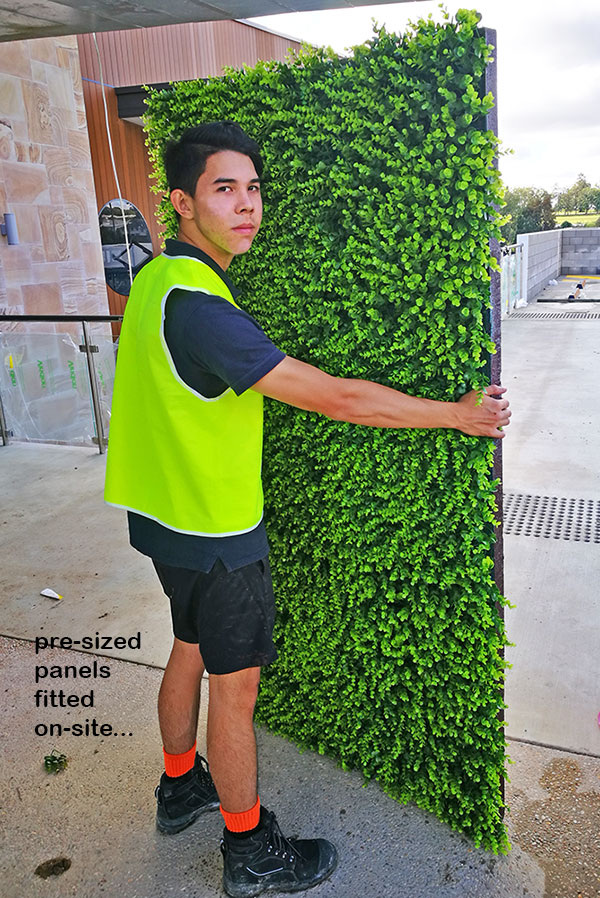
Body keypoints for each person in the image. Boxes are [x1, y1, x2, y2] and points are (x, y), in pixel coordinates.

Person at [104, 121, 510, 897]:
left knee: (186, 646)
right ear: (183, 203)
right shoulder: (202, 308)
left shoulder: (159, 279)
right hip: (216, 532)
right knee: (236, 685)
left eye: (254, 189)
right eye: (225, 189)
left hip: (163, 521)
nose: (247, 205)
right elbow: (338, 398)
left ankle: (178, 784)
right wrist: (457, 414)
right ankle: (249, 849)